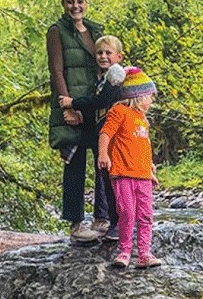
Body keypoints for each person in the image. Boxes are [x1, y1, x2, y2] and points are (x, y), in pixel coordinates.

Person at [58, 35, 147, 240]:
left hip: (116, 135)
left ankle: (118, 223)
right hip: (106, 132)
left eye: (108, 53)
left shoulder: (116, 75)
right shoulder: (104, 76)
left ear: (119, 56)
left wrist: (74, 103)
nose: (103, 56)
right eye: (99, 53)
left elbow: (101, 100)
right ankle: (115, 221)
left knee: (113, 178)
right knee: (107, 177)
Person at [46, 0, 110, 242]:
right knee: (74, 162)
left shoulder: (95, 31)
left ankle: (102, 218)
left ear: (86, 3)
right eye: (70, 2)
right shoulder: (57, 31)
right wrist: (67, 108)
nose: (76, 6)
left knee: (102, 159)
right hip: (71, 103)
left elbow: (105, 64)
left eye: (80, 1)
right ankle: (75, 224)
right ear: (63, 5)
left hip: (93, 104)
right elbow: (57, 71)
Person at [97, 71, 162, 268]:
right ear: (139, 95)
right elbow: (105, 133)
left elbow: (144, 146)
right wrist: (103, 154)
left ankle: (144, 253)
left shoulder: (142, 118)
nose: (151, 100)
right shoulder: (119, 112)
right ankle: (124, 251)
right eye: (150, 96)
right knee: (126, 212)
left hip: (142, 175)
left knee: (146, 214)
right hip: (123, 172)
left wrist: (150, 169)